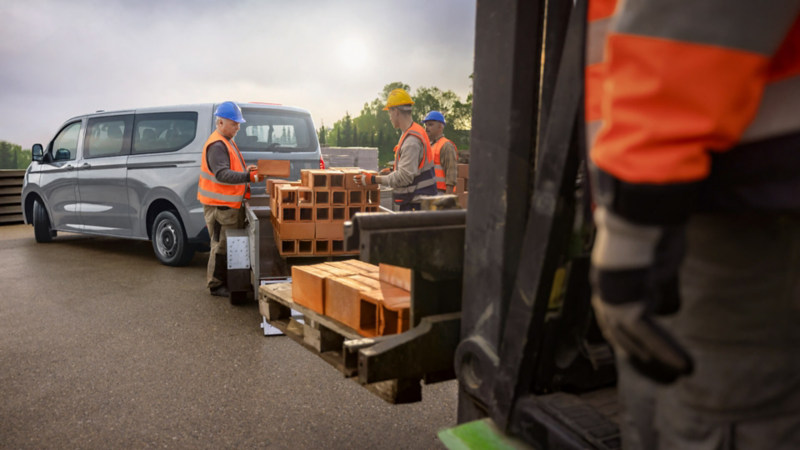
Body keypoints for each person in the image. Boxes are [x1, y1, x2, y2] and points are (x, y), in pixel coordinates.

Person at [586, 0, 800, 448]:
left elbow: (683, 25)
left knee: (713, 418)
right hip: (698, 192)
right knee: (659, 410)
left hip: (727, 208)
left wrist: (634, 208)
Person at [197, 101, 261, 297]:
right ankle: (216, 285)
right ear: (221, 122)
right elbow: (222, 174)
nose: (238, 127)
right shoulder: (217, 145)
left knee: (228, 244)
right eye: (234, 123)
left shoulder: (226, 140)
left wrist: (245, 171)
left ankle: (226, 282)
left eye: (238, 123)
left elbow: (230, 169)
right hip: (220, 207)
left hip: (227, 205)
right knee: (221, 246)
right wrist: (247, 177)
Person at [353, 89, 437, 210]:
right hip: (419, 202)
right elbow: (415, 165)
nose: (390, 118)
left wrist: (372, 179)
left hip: (417, 205)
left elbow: (404, 178)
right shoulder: (413, 131)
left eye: (389, 113)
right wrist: (393, 170)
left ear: (396, 111)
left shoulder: (411, 141)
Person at [423, 111, 458, 194]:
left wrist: (446, 201)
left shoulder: (446, 146)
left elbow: (451, 176)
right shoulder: (428, 146)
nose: (426, 128)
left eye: (430, 124)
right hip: (427, 193)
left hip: (439, 194)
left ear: (439, 127)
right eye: (426, 125)